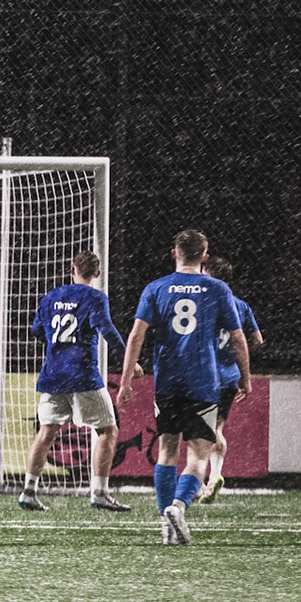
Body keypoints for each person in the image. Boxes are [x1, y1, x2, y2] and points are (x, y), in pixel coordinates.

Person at [115, 229, 249, 545]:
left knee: (167, 450)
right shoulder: (217, 288)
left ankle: (166, 525)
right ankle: (178, 506)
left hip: (167, 380)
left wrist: (124, 380)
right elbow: (238, 338)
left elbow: (136, 336)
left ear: (174, 253)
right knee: (199, 453)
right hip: (203, 381)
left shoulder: (156, 288)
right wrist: (245, 377)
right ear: (204, 257)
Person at [19, 249, 130, 513]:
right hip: (81, 374)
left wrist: (58, 345)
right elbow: (107, 329)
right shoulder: (95, 297)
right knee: (107, 430)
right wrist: (129, 357)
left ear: (72, 269)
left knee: (46, 431)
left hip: (53, 374)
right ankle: (99, 492)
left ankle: (28, 491)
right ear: (97, 273)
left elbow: (36, 330)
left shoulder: (51, 296)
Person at [197, 255, 262, 504]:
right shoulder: (241, 305)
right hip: (228, 377)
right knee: (217, 429)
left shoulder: (204, 302)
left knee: (197, 432)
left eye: (204, 272)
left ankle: (198, 482)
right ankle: (215, 476)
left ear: (211, 275)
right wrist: (238, 364)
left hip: (204, 375)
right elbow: (257, 339)